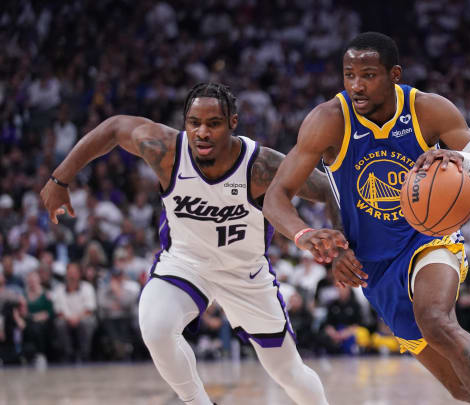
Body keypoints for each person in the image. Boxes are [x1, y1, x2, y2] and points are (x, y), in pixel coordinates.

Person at [264, 32, 470, 405]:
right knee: (464, 389)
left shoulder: (428, 110)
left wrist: (464, 161)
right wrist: (306, 235)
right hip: (374, 267)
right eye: (349, 75)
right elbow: (276, 197)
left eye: (368, 75)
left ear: (394, 74)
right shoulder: (328, 120)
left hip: (431, 240)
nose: (357, 85)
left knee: (436, 319)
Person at [40, 82, 332, 405]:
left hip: (245, 273)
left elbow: (326, 190)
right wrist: (59, 179)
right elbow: (114, 127)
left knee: (288, 372)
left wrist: (349, 236)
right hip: (186, 263)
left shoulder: (260, 166)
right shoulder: (166, 151)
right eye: (194, 123)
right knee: (155, 326)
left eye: (214, 124)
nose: (202, 132)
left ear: (233, 123)